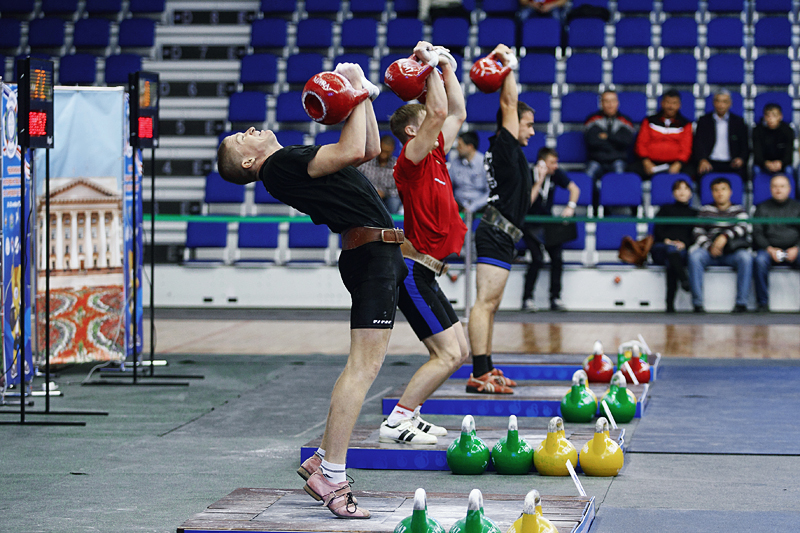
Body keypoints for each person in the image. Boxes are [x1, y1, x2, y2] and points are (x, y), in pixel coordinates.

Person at [217, 63, 406, 519]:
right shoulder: (279, 165)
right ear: (249, 161)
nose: (248, 129)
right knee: (363, 368)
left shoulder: (285, 164)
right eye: (241, 138)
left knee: (364, 367)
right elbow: (348, 149)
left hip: (374, 253)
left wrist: (363, 95)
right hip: (371, 255)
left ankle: (325, 459)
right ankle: (332, 476)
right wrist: (357, 93)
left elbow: (365, 149)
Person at [382, 41, 469, 445]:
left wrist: (447, 69)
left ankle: (411, 414)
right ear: (413, 132)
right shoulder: (410, 161)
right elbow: (437, 112)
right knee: (448, 355)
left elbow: (456, 112)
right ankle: (398, 419)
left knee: (460, 351)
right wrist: (429, 66)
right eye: (428, 125)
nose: (438, 127)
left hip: (428, 273)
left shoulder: (436, 153)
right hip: (414, 273)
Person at [468, 43, 534, 395]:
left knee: (491, 305)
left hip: (503, 233)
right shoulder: (505, 145)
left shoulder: (513, 153)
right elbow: (508, 104)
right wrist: (509, 67)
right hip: (495, 231)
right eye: (529, 124)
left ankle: (487, 367)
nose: (532, 131)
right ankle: (478, 371)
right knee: (485, 303)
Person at [521, 147, 580, 312]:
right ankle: (527, 298)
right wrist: (539, 181)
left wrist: (570, 206)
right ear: (542, 162)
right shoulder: (527, 173)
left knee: (557, 257)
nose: (555, 166)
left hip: (546, 223)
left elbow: (575, 189)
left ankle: (555, 297)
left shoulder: (556, 174)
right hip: (528, 223)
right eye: (552, 162)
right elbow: (527, 203)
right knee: (537, 258)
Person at [688, 176, 752, 313]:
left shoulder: (739, 209)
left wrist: (725, 236)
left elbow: (744, 227)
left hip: (732, 252)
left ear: (730, 192)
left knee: (746, 258)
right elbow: (697, 232)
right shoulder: (705, 210)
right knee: (695, 257)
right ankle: (697, 304)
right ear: (712, 193)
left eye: (723, 189)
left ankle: (741, 303)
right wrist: (709, 247)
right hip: (710, 252)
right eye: (716, 190)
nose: (720, 193)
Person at [752, 174, 800, 312]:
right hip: (769, 250)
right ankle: (762, 304)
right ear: (770, 189)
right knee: (760, 260)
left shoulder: (798, 207)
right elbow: (757, 233)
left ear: (789, 189)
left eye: (782, 186)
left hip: (795, 249)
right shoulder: (761, 208)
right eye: (775, 186)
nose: (778, 189)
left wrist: (797, 247)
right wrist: (769, 249)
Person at [651, 179, 697, 313]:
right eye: (678, 189)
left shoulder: (695, 213)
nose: (682, 192)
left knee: (672, 260)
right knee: (671, 252)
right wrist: (667, 241)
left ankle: (669, 304)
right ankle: (684, 279)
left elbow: (694, 234)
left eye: (685, 189)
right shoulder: (665, 209)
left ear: (690, 193)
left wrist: (684, 244)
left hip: (681, 249)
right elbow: (657, 230)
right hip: (661, 247)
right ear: (673, 193)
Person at [632, 89, 693, 179]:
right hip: (650, 162)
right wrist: (646, 162)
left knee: (690, 173)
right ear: (662, 103)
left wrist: (679, 164)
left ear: (679, 105)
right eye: (668, 102)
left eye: (674, 103)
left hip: (675, 163)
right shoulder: (649, 121)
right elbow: (641, 143)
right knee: (631, 171)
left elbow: (686, 148)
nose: (671, 106)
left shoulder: (685, 124)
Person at [693, 89, 749, 180]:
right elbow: (698, 143)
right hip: (710, 162)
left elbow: (745, 145)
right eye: (718, 101)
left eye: (724, 101)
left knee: (741, 176)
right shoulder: (704, 121)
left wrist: (741, 159)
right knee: (700, 174)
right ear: (713, 103)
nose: (721, 105)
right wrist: (702, 159)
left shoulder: (738, 122)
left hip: (732, 163)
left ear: (730, 103)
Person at [583, 90, 636, 181]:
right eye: (606, 101)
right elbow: (592, 141)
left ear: (617, 103)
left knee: (620, 179)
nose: (610, 104)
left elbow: (625, 142)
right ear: (601, 103)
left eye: (612, 101)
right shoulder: (592, 119)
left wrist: (606, 136)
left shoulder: (625, 121)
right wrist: (615, 140)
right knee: (586, 178)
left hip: (618, 160)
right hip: (596, 160)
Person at [358, 134, 401, 214]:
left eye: (387, 152)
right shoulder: (367, 162)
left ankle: (391, 225)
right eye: (382, 150)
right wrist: (371, 192)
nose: (383, 154)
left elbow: (399, 189)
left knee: (394, 202)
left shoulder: (397, 165)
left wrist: (384, 193)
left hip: (388, 197)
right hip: (368, 195)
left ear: (392, 150)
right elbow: (358, 181)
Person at [752, 103, 795, 183]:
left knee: (789, 170)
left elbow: (789, 155)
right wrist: (766, 163)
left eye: (774, 116)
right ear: (764, 117)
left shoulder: (788, 131)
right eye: (768, 116)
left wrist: (781, 163)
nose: (771, 119)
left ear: (780, 116)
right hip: (763, 164)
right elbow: (757, 154)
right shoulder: (757, 130)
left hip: (782, 164)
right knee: (756, 170)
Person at [449, 131, 490, 213]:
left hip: (479, 205)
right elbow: (447, 184)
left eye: (460, 146)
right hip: (458, 204)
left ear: (470, 147)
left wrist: (473, 206)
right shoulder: (455, 162)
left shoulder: (484, 164)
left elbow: (490, 192)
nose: (457, 148)